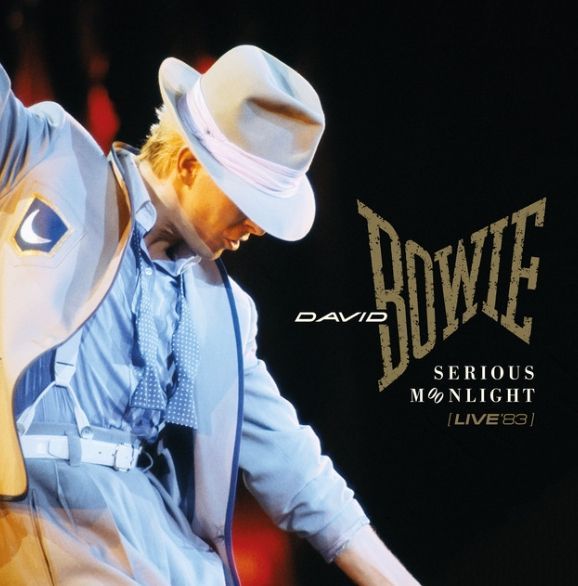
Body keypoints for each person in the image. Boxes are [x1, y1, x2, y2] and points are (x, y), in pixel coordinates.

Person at [0, 45, 420, 585]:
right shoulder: (47, 157)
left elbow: (294, 465)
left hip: (149, 531)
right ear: (188, 164)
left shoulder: (222, 310)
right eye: (250, 203)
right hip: (34, 503)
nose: (258, 227)